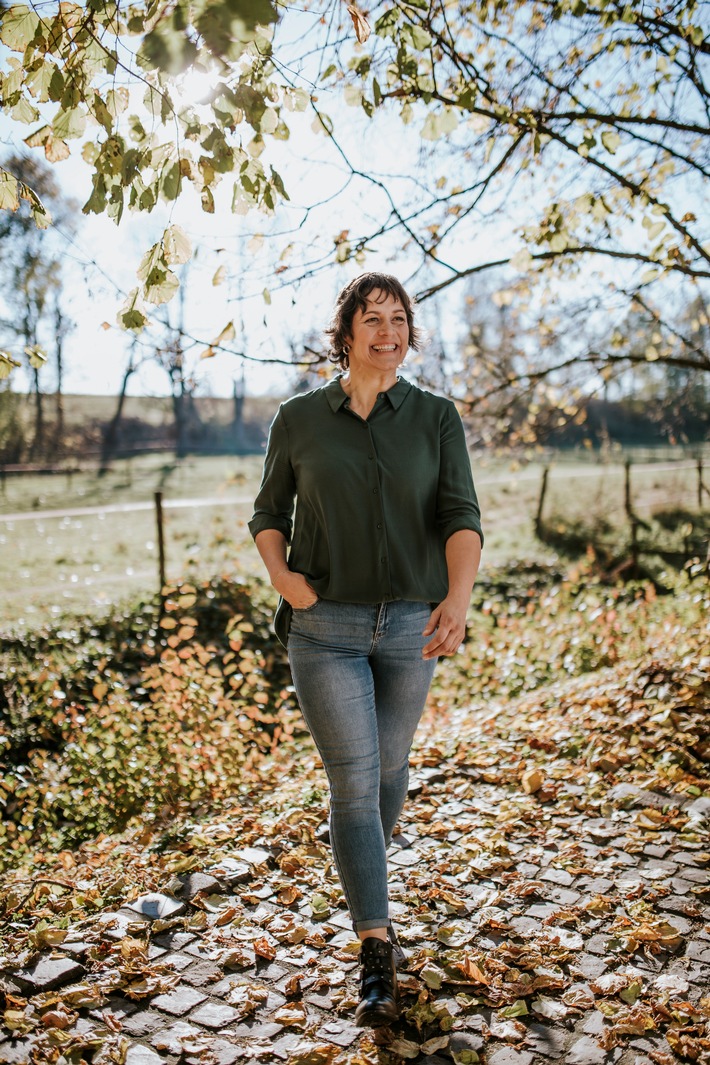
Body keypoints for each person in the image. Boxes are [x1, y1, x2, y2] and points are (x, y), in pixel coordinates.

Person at [249, 272, 484, 1028]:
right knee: (353, 780)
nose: (387, 331)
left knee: (389, 768)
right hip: (325, 630)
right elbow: (267, 511)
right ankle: (376, 950)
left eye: (399, 319)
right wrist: (284, 577)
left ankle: (360, 870)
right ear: (344, 331)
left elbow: (460, 513)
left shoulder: (436, 417)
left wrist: (458, 596)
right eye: (371, 318)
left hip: (411, 624)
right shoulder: (298, 418)